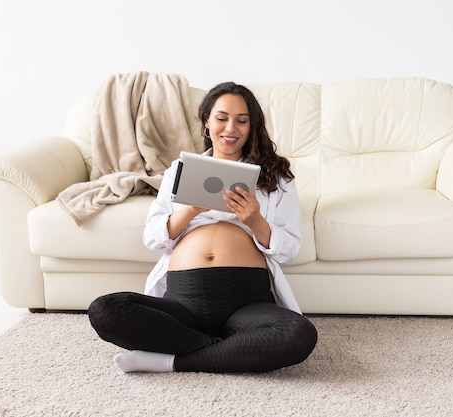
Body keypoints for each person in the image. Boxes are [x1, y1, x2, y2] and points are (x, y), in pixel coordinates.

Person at [88, 81, 318, 373]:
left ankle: (172, 361)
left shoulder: (276, 177)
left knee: (299, 334)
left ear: (252, 126)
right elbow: (153, 237)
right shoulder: (178, 172)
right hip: (183, 300)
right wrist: (190, 210)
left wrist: (254, 220)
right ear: (207, 122)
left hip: (246, 300)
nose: (230, 128)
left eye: (241, 121)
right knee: (104, 310)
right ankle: (231, 349)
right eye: (221, 118)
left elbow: (289, 250)